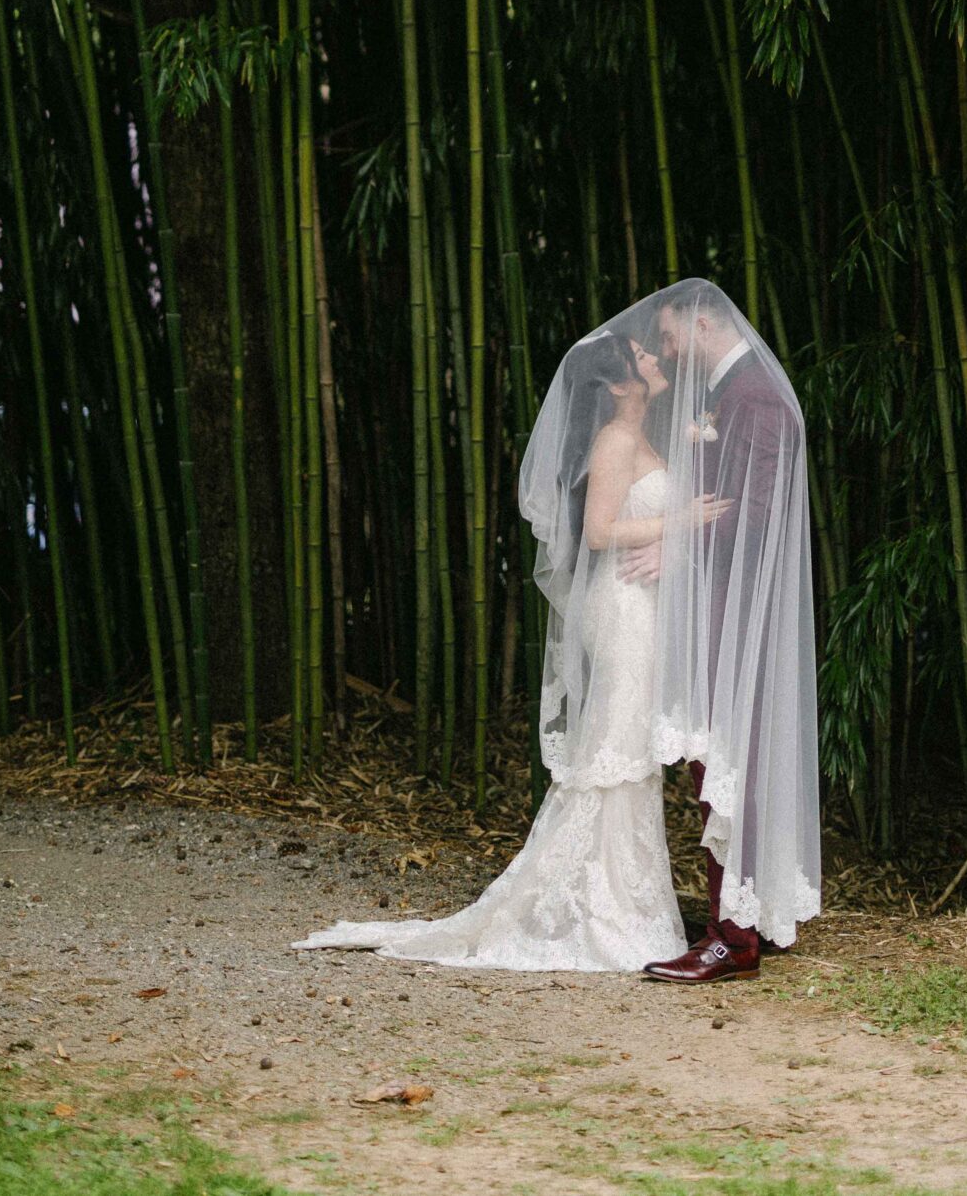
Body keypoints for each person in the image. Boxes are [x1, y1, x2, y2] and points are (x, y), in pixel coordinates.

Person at [293, 326, 723, 971]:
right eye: (640, 356)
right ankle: (600, 909)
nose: (654, 358)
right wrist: (680, 523)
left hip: (643, 608)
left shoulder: (645, 434)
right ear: (614, 384)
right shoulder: (615, 439)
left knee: (628, 753)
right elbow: (601, 532)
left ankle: (622, 901)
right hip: (624, 609)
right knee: (617, 753)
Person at [632, 280, 819, 982]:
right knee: (723, 755)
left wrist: (677, 548)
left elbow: (760, 509)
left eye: (671, 335)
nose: (667, 350)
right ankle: (742, 916)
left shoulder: (756, 394)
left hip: (737, 608)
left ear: (702, 320)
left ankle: (731, 939)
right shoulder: (731, 388)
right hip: (723, 598)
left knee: (724, 756)